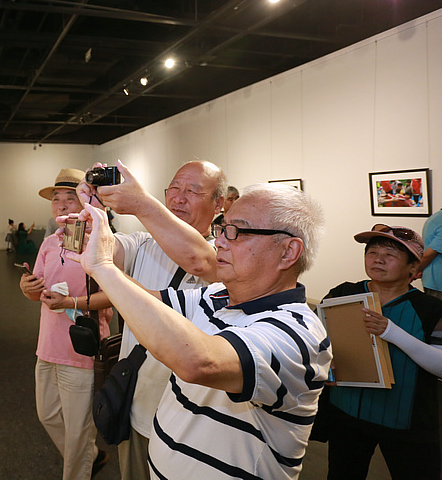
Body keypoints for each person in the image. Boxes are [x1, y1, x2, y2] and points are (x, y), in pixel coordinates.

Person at [69, 182, 331, 479]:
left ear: (288, 252)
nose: (220, 241)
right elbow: (148, 306)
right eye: (223, 229)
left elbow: (199, 362)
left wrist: (103, 267)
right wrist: (101, 238)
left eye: (237, 232)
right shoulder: (215, 296)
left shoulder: (297, 333)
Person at [79, 160, 224, 480]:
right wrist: (94, 219)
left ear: (219, 203)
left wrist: (141, 203)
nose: (179, 197)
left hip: (194, 425)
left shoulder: (226, 256)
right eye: (174, 188)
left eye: (193, 190)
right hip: (139, 410)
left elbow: (199, 260)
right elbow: (107, 251)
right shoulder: (144, 243)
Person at [321, 224, 442, 479]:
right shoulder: (344, 293)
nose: (378, 259)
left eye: (390, 254)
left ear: (413, 268)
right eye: (372, 251)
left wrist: (391, 332)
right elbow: (315, 338)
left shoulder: (431, 310)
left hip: (405, 421)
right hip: (346, 413)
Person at [19, 168, 113, 479]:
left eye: (70, 198)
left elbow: (114, 296)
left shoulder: (99, 244)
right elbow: (39, 291)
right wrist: (28, 288)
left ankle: (80, 466)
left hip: (81, 349)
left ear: (86, 202)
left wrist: (70, 303)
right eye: (56, 199)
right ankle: (91, 453)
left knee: (77, 432)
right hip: (47, 345)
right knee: (47, 415)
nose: (61, 204)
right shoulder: (49, 243)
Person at [420, 208, 442, 300]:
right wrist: (413, 272)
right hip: (437, 284)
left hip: (432, 280)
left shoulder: (436, 217)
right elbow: (429, 254)